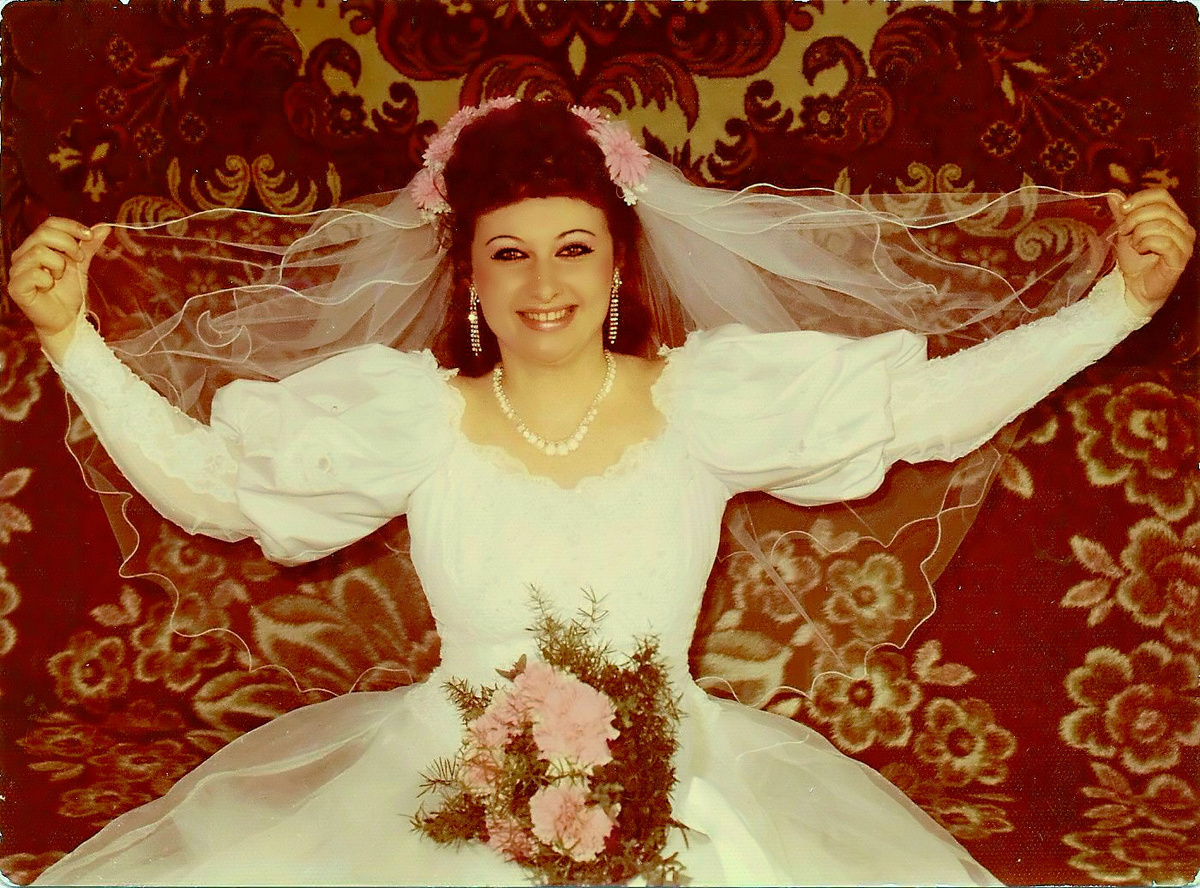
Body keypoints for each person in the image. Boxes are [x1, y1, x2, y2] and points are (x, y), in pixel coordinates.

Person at [6, 100, 1194, 885]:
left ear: (619, 261)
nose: (544, 283)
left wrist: (1117, 307)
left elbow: (924, 409)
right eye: (508, 253)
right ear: (467, 277)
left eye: (573, 247)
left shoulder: (703, 402)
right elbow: (214, 492)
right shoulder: (412, 416)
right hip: (445, 775)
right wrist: (71, 340)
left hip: (682, 773)